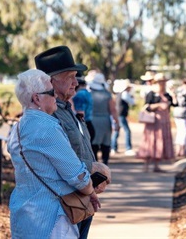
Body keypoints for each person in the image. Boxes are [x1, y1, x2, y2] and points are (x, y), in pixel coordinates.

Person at [7, 69, 100, 238]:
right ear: (37, 98)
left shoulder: (18, 128)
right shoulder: (47, 128)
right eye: (51, 92)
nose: (55, 96)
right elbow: (76, 174)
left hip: (24, 215)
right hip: (52, 220)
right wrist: (90, 190)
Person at [35, 46, 111, 239]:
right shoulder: (49, 115)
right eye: (70, 76)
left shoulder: (66, 108)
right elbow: (60, 159)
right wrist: (96, 169)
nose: (76, 82)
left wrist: (93, 180)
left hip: (79, 199)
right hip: (63, 205)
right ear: (51, 81)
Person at [137, 73, 176, 172]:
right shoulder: (151, 93)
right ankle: (146, 165)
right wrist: (159, 105)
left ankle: (156, 165)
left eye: (163, 82)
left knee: (160, 142)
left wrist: (173, 94)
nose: (162, 84)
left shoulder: (167, 94)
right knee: (150, 141)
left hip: (164, 122)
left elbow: (175, 104)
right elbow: (147, 106)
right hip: (153, 121)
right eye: (160, 82)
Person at [87, 70, 119, 165]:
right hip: (105, 121)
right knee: (106, 142)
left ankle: (95, 164)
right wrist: (117, 122)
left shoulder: (89, 94)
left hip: (92, 121)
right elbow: (113, 110)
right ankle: (105, 163)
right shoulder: (107, 95)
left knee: (94, 143)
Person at [111, 79, 136, 156]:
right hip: (121, 115)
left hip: (119, 114)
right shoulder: (125, 94)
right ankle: (128, 148)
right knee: (127, 131)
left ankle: (113, 148)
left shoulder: (120, 94)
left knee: (117, 131)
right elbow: (132, 102)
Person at [172, 77, 186, 157]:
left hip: (176, 112)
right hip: (184, 113)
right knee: (185, 131)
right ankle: (183, 149)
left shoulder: (178, 90)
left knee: (179, 131)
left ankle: (178, 149)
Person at [72, 72, 95, 142]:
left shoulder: (79, 95)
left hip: (85, 125)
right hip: (89, 123)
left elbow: (80, 113)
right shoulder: (87, 93)